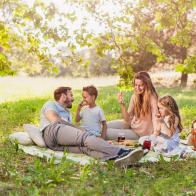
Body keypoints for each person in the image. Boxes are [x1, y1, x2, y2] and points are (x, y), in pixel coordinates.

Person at [40, 86, 144, 167]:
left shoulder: (67, 113)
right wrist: (78, 129)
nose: (73, 99)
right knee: (85, 137)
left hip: (54, 145)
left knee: (85, 149)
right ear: (63, 96)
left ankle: (116, 159)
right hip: (52, 131)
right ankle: (122, 152)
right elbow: (54, 119)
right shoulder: (51, 104)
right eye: (71, 95)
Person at [106, 71, 159, 140]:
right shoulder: (135, 96)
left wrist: (155, 135)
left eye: (140, 85)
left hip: (140, 134)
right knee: (103, 126)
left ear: (147, 85)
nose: (137, 88)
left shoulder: (152, 98)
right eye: (136, 85)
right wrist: (122, 105)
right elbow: (127, 119)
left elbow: (155, 118)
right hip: (132, 124)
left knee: (107, 133)